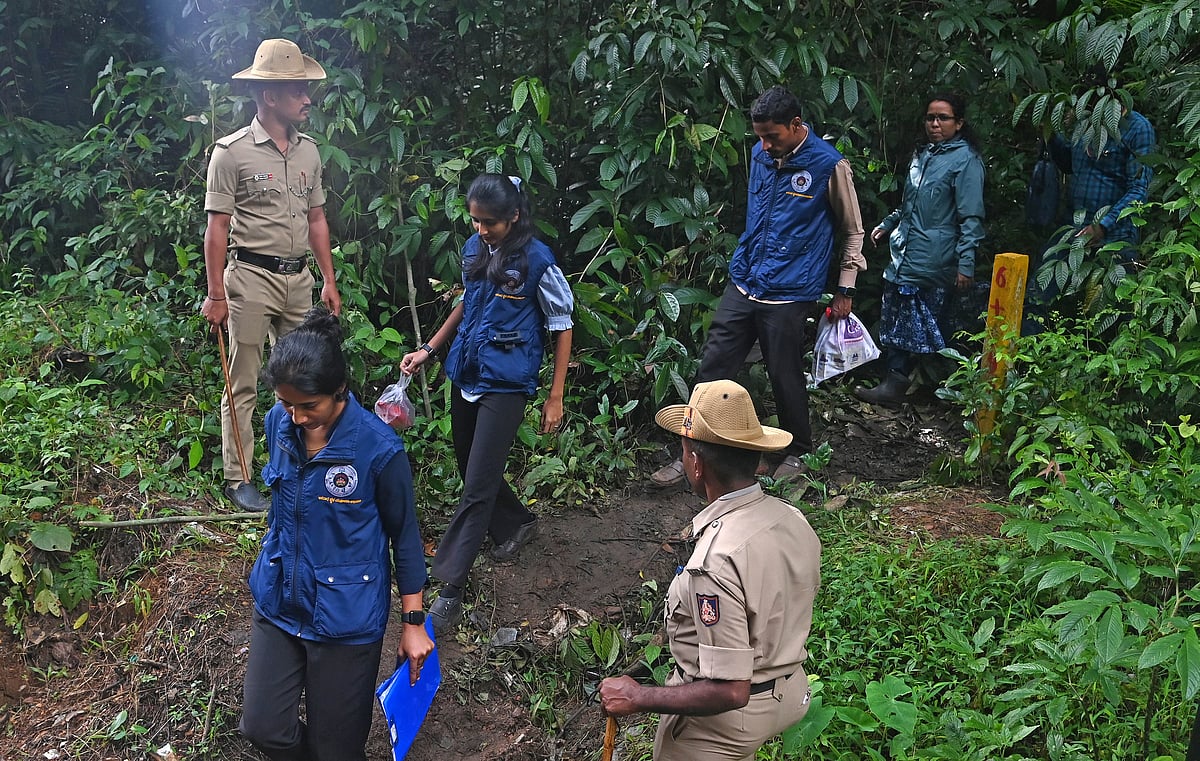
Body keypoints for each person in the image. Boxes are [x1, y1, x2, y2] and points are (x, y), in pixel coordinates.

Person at [240, 307, 433, 761]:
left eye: (310, 406)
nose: (297, 416)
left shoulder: (377, 449)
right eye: (287, 404)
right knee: (263, 726)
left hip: (346, 617)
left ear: (339, 390)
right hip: (280, 599)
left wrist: (414, 622)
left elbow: (404, 536)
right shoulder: (278, 424)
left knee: (338, 748)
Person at [649, 85, 866, 486]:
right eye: (760, 137)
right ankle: (692, 448)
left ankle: (798, 450)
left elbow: (853, 230)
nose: (765, 146)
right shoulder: (760, 155)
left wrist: (845, 289)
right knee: (713, 364)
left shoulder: (829, 165)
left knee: (784, 371)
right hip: (746, 278)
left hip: (791, 288)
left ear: (796, 125)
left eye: (773, 136)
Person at [601, 379, 821, 761]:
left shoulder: (717, 561)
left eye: (684, 451)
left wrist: (638, 697)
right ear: (757, 460)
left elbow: (730, 690)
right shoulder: (791, 517)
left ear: (697, 464)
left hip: (731, 717)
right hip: (787, 690)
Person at [399, 174, 574, 634]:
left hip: (507, 382)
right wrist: (430, 350)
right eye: (474, 221)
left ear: (513, 216)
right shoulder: (475, 250)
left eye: (489, 222)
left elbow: (562, 324)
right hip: (467, 372)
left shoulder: (537, 261)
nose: (480, 229)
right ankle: (517, 524)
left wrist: (554, 396)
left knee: (475, 487)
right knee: (470, 466)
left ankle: (450, 586)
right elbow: (466, 303)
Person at [201, 38, 343, 512]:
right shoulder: (231, 154)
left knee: (306, 374)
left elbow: (317, 218)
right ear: (269, 96)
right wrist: (216, 293)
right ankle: (239, 477)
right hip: (250, 280)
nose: (307, 99)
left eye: (305, 89)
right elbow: (217, 229)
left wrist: (328, 279)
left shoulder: (309, 153)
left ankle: (303, 465)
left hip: (298, 280)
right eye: (298, 90)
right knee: (243, 380)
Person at [854, 92, 985, 405]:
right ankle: (896, 384)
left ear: (959, 123)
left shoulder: (966, 161)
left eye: (943, 118)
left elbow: (971, 217)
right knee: (898, 318)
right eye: (930, 118)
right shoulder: (923, 154)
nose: (935, 124)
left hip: (936, 258)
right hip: (906, 254)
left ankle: (938, 390)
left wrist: (966, 263)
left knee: (934, 324)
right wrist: (888, 224)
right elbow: (911, 204)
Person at [1048, 66, 1155, 262]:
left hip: (1115, 236)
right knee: (1043, 288)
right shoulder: (1083, 122)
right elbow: (1069, 166)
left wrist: (1102, 226)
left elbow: (1139, 189)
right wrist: (1052, 131)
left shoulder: (1137, 128)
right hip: (1075, 226)